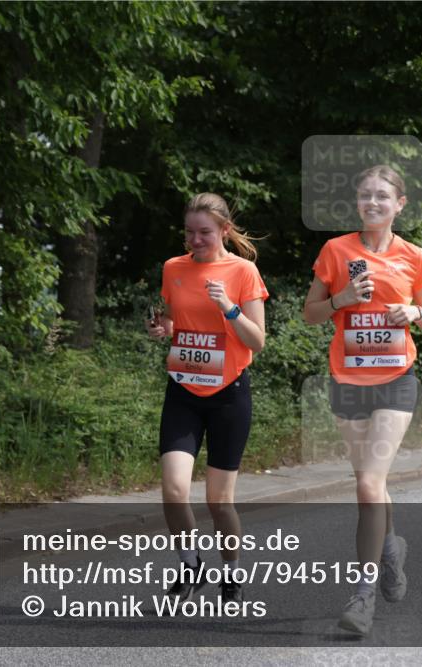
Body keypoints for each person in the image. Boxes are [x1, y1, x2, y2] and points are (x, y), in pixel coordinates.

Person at [303, 165, 422, 635]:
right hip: (347, 380)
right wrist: (340, 299)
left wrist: (413, 311)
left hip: (396, 381)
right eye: (365, 196)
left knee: (367, 485)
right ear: (357, 203)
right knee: (370, 483)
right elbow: (310, 314)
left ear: (400, 204)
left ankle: (362, 598)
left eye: (383, 196)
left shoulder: (412, 256)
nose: (373, 203)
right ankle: (389, 549)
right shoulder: (336, 250)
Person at [146, 192, 268, 606]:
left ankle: (231, 575)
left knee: (219, 502)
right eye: (189, 232)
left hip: (228, 396)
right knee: (175, 489)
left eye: (204, 232)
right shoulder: (173, 268)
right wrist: (164, 328)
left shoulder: (243, 271)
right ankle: (190, 564)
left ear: (224, 231)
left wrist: (230, 308)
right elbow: (174, 316)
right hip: (183, 390)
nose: (195, 240)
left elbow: (258, 340)